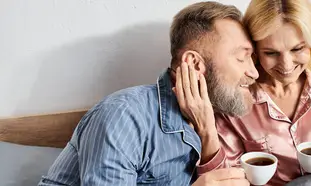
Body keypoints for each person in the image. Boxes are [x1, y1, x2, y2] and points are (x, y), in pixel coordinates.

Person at [38, 1, 258, 186]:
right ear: (194, 63)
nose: (254, 72)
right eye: (241, 58)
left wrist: (208, 133)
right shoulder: (124, 117)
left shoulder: (213, 115)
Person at [191, 0, 311, 185]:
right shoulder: (234, 98)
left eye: (297, 49)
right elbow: (225, 178)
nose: (286, 65)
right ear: (254, 51)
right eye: (271, 53)